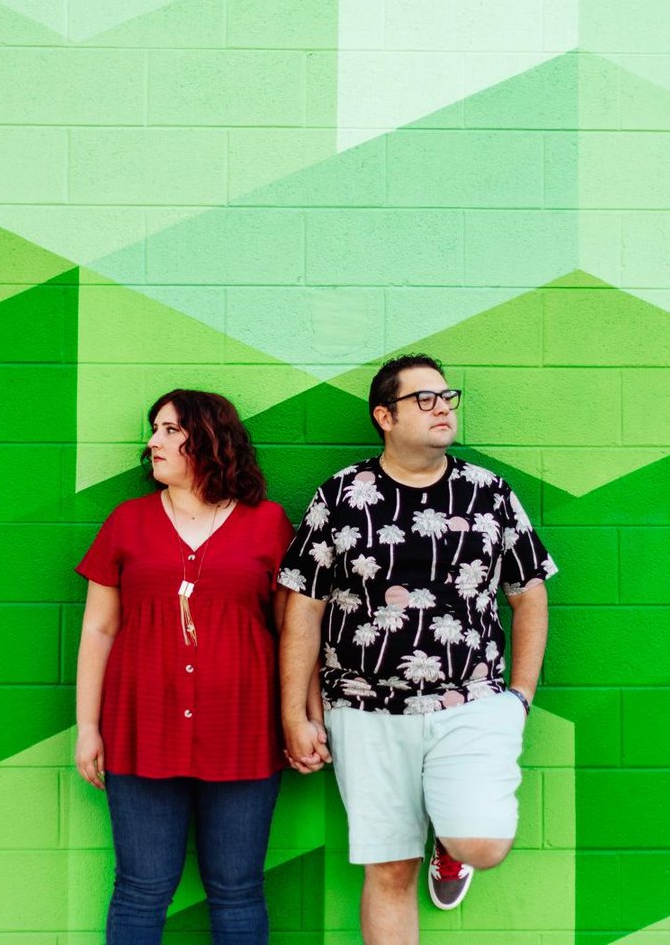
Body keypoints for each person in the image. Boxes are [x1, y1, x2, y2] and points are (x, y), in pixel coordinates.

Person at [277, 354, 556, 943]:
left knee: (482, 843)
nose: (443, 407)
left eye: (447, 397)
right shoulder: (343, 496)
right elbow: (304, 607)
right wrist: (295, 714)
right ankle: (437, 835)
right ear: (385, 415)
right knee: (389, 870)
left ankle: (452, 843)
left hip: (472, 702)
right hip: (363, 708)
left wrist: (520, 698)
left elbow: (528, 596)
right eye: (424, 399)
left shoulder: (489, 493)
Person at [74, 389, 294, 945]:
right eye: (154, 430)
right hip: (141, 731)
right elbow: (98, 629)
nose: (153, 442)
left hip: (243, 732)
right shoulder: (127, 521)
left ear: (210, 438)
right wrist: (87, 728)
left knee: (238, 888)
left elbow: (294, 632)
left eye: (170, 430)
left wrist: (302, 718)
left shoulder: (267, 523)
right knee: (141, 889)